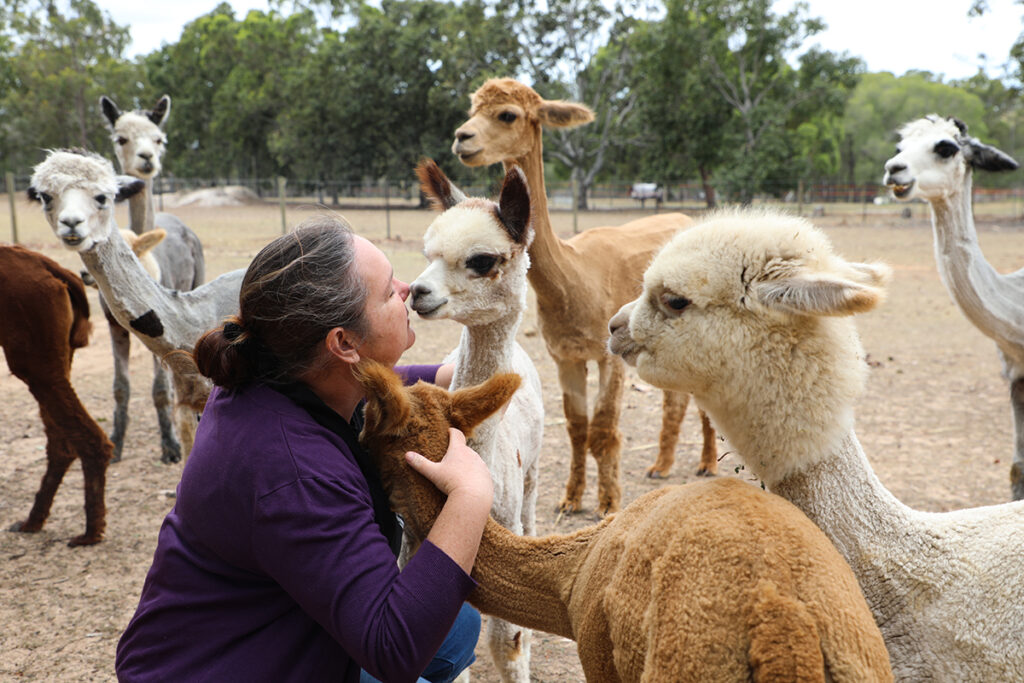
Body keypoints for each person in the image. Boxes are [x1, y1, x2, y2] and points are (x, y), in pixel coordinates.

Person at [115, 216, 493, 683]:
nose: (406, 288)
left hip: (245, 631)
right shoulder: (294, 471)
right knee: (426, 633)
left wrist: (451, 375)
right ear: (343, 343)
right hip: (208, 669)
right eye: (386, 290)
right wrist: (470, 499)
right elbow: (393, 648)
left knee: (457, 626)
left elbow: (381, 379)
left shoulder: (268, 377)